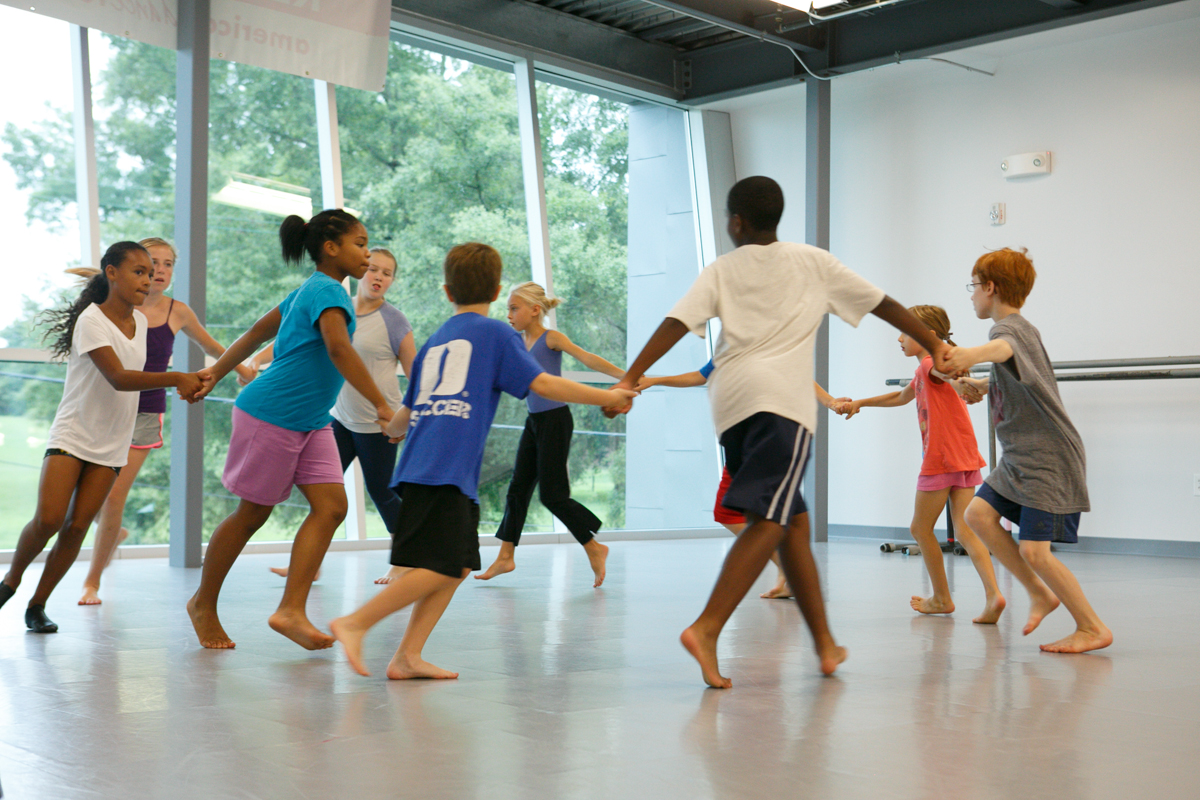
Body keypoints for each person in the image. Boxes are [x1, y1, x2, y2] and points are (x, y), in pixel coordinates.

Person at [608, 176, 952, 688]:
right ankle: (706, 628)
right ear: (777, 217)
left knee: (792, 525)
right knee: (770, 519)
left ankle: (825, 644)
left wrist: (630, 378)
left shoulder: (721, 269)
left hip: (730, 406)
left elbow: (675, 323)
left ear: (735, 222)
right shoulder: (814, 262)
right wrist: (933, 342)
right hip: (781, 406)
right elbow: (885, 304)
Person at [330, 243, 636, 679]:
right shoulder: (496, 335)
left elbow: (407, 413)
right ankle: (355, 623)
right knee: (443, 565)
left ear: (446, 289)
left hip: (423, 466)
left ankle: (407, 657)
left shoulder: (436, 339)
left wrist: (393, 430)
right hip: (445, 470)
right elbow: (544, 384)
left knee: (455, 566)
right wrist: (607, 396)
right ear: (495, 291)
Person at [185, 209, 395, 651]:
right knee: (252, 514)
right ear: (330, 248)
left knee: (332, 507)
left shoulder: (310, 291)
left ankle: (291, 610)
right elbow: (337, 348)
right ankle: (203, 604)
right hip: (272, 415)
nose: (367, 252)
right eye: (360, 243)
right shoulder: (325, 293)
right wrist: (380, 403)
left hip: (312, 419)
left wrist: (216, 373)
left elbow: (254, 335)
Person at [0, 242, 204, 632]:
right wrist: (178, 377)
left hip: (112, 441)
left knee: (77, 528)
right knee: (49, 520)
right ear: (111, 273)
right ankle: (9, 582)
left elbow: (137, 378)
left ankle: (37, 605)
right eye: (139, 271)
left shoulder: (142, 323)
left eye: (152, 272)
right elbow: (119, 377)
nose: (149, 279)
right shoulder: (91, 320)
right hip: (74, 434)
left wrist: (187, 385)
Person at [943, 248, 1112, 653]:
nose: (971, 296)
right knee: (978, 515)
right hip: (1019, 457)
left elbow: (1003, 350)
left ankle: (1092, 627)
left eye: (973, 286)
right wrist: (984, 386)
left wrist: (970, 356)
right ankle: (1039, 594)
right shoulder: (1021, 332)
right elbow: (1022, 377)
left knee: (1035, 551)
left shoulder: (1009, 330)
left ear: (991, 287)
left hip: (1046, 458)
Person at [76, 238, 255, 606]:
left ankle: (91, 581)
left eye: (168, 263)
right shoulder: (109, 308)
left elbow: (212, 346)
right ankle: (112, 533)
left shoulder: (178, 311)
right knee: (80, 500)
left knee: (112, 496)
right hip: (104, 411)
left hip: (144, 414)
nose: (160, 270)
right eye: (152, 263)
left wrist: (240, 369)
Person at [252, 247, 417, 585]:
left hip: (378, 424)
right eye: (374, 269)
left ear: (392, 281)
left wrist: (407, 419)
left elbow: (416, 375)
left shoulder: (395, 321)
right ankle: (309, 564)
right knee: (320, 492)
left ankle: (407, 560)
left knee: (382, 492)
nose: (378, 277)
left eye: (387, 273)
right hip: (339, 417)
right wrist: (256, 360)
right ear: (363, 272)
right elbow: (299, 339)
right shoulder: (339, 309)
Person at [842, 305, 1005, 623]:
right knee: (965, 529)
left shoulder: (930, 363)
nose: (900, 338)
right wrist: (860, 403)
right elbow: (901, 397)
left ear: (928, 336)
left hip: (941, 457)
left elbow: (943, 375)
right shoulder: (925, 368)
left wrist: (960, 383)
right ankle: (993, 595)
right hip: (964, 455)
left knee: (920, 528)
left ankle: (942, 598)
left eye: (905, 332)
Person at [637, 364, 852, 599]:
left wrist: (831, 401)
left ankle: (790, 572)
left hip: (765, 436)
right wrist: (655, 381)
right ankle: (789, 572)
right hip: (744, 439)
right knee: (752, 511)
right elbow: (699, 376)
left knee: (737, 512)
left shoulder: (760, 345)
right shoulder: (730, 347)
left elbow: (797, 375)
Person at [476, 282, 625, 588]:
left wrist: (627, 377)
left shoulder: (551, 338)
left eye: (514, 308)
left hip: (556, 420)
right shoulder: (516, 343)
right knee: (517, 489)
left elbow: (589, 359)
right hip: (534, 422)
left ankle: (593, 546)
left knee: (552, 495)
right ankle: (505, 556)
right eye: (507, 309)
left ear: (534, 310)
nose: (509, 314)